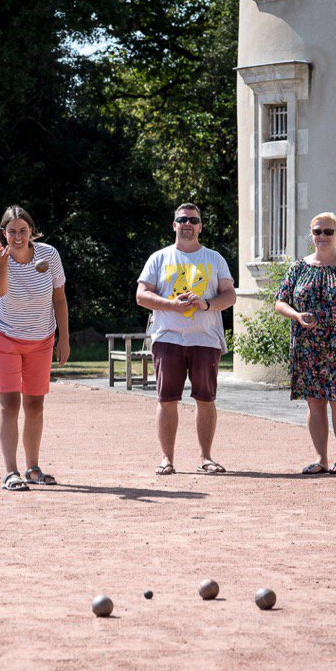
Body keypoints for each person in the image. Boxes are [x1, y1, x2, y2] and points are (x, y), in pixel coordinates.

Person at [136, 203, 236, 475]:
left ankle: (206, 457)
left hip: (205, 339)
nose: (187, 224)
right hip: (168, 338)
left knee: (206, 399)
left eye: (193, 219)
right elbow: (141, 295)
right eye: (182, 219)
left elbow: (230, 296)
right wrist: (171, 305)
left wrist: (204, 304)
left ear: (201, 226)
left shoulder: (214, 258)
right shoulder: (160, 258)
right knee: (167, 399)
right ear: (174, 225)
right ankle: (167, 459)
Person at [274, 212, 336, 474]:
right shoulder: (298, 267)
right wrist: (296, 315)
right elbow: (279, 302)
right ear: (311, 235)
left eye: (328, 232)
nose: (322, 236)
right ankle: (321, 459)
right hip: (308, 346)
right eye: (317, 231)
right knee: (314, 402)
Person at [0, 205, 70, 491]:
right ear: (3, 234)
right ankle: (11, 472)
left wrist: (64, 338)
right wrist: (6, 263)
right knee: (10, 404)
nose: (18, 236)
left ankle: (33, 468)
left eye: (23, 230)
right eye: (12, 232)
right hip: (4, 336)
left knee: (35, 404)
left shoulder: (49, 255)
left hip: (41, 338)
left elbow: (59, 298)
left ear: (31, 231)